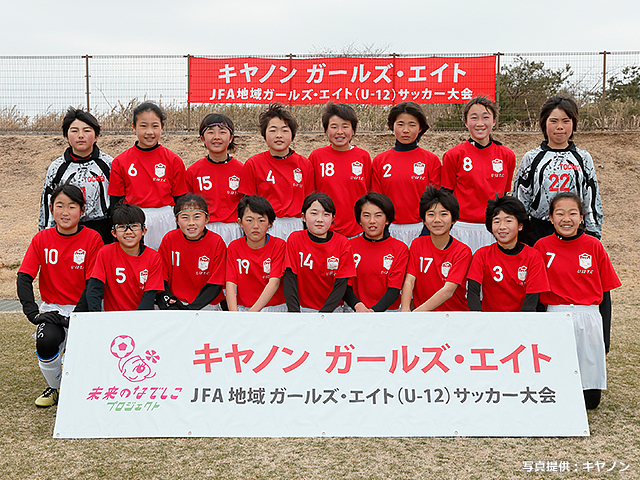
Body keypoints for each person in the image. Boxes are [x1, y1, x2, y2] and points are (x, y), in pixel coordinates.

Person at [18, 184, 103, 407]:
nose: (65, 212)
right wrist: (33, 313)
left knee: (87, 350)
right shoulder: (41, 239)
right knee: (46, 341)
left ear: (82, 210)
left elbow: (93, 284)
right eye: (59, 206)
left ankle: (85, 385)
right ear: (51, 208)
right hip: (52, 308)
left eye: (72, 206)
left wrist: (77, 316)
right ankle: (55, 388)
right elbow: (24, 277)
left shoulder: (93, 239)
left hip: (83, 307)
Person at [534, 192, 621, 409]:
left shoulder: (594, 246)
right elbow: (535, 294)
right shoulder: (542, 247)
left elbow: (605, 296)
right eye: (559, 213)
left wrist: (605, 338)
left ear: (581, 217)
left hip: (589, 316)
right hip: (555, 314)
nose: (566, 219)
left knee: (590, 401)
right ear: (551, 218)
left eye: (572, 213)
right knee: (556, 385)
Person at [514, 95, 603, 245]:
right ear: (544, 123)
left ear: (573, 123)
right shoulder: (531, 157)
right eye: (554, 121)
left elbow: (591, 199)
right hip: (539, 233)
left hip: (574, 231)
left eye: (566, 121)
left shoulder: (583, 158)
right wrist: (520, 235)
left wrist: (594, 234)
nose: (560, 126)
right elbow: (520, 199)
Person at [108, 102, 188, 249]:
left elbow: (180, 200)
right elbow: (116, 202)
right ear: (133, 127)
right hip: (133, 220)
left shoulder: (173, 160)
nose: (149, 132)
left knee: (164, 262)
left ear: (162, 128)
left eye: (155, 126)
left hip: (164, 219)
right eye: (143, 126)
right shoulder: (121, 161)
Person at [440, 97, 516, 253]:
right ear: (466, 122)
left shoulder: (507, 155)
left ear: (494, 121)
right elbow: (446, 194)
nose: (480, 123)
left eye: (485, 117)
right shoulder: (453, 155)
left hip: (493, 228)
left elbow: (504, 193)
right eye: (474, 118)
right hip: (461, 228)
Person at [239, 103, 313, 240]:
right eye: (273, 130)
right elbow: (248, 203)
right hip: (266, 224)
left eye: (284, 130)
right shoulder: (253, 164)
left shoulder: (304, 164)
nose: (279, 135)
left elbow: (309, 202)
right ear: (264, 135)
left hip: (296, 224)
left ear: (292, 134)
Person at [39, 107, 113, 244]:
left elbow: (117, 199)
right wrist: (44, 235)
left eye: (87, 130)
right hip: (67, 229)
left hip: (102, 230)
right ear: (66, 136)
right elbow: (46, 202)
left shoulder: (108, 164)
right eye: (74, 131)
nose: (80, 135)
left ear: (96, 136)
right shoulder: (57, 167)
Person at [371, 102, 441, 246]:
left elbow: (435, 200)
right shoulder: (380, 161)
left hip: (421, 228)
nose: (406, 130)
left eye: (412, 125)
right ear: (392, 126)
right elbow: (377, 200)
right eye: (400, 124)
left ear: (420, 128)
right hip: (390, 229)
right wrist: (384, 228)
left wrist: (427, 228)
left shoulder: (431, 160)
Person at [467, 196, 549, 312]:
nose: (502, 227)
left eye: (508, 221)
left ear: (520, 226)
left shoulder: (533, 256)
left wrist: (519, 324)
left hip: (522, 323)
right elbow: (473, 291)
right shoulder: (482, 254)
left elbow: (533, 296)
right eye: (496, 221)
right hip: (490, 322)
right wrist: (479, 320)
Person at [401, 187, 472, 312]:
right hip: (422, 317)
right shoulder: (417, 244)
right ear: (423, 220)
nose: (437, 220)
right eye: (431, 214)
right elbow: (409, 281)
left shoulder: (463, 251)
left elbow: (448, 290)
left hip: (453, 316)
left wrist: (416, 313)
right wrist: (405, 311)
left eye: (443, 214)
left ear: (454, 219)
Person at [283, 193, 356, 312]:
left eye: (326, 214)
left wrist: (323, 315)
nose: (320, 219)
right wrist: (294, 314)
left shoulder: (343, 243)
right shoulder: (294, 239)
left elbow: (341, 285)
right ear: (303, 217)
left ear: (333, 218)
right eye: (314, 213)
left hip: (332, 311)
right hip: (302, 310)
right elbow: (289, 278)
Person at [308, 102, 372, 238]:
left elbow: (369, 194)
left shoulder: (363, 156)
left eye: (345, 126)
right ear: (326, 130)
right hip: (325, 231)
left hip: (357, 231)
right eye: (334, 127)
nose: (340, 132)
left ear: (353, 130)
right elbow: (311, 195)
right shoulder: (316, 156)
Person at [86, 204, 163, 311]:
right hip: (113, 318)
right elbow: (94, 289)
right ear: (114, 233)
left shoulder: (154, 257)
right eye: (122, 227)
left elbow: (149, 297)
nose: (128, 231)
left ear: (143, 231)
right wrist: (96, 318)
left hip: (142, 319)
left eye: (134, 226)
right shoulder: (105, 253)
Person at [157, 194, 226, 310]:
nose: (191, 223)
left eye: (197, 217)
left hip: (206, 306)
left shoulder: (216, 242)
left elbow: (216, 284)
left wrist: (191, 309)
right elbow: (161, 276)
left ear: (207, 219)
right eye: (185, 217)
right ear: (177, 220)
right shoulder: (169, 239)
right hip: (177, 304)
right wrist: (169, 301)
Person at [344, 192, 408, 312]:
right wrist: (358, 306)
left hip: (387, 313)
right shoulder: (348, 246)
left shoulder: (400, 249)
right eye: (366, 216)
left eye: (378, 215)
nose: (372, 221)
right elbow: (345, 285)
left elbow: (394, 289)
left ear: (387, 220)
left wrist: (373, 312)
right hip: (356, 311)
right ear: (359, 220)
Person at [186, 113, 244, 246]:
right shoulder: (193, 171)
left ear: (231, 138)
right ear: (202, 138)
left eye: (222, 132)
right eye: (211, 132)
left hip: (233, 229)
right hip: (205, 229)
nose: (217, 137)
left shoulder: (242, 170)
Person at [226, 195, 287, 312]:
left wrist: (252, 313)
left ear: (270, 223)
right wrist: (234, 315)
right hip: (242, 310)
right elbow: (231, 284)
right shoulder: (234, 247)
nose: (255, 226)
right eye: (249, 220)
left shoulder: (279, 245)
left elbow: (274, 282)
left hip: (273, 309)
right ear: (240, 222)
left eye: (261, 220)